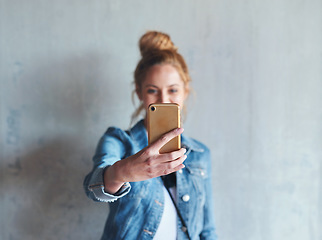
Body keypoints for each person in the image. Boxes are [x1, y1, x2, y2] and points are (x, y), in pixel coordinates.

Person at [83, 31, 217, 240]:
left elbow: (207, 230)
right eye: (153, 90)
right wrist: (122, 172)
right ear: (139, 92)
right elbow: (94, 189)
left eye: (173, 90)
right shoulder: (118, 142)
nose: (163, 99)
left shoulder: (200, 154)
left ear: (185, 91)